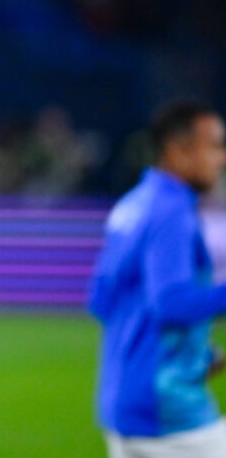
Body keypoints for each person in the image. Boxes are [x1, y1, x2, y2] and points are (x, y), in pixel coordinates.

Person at [89, 101, 226, 457]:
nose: (222, 158)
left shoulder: (133, 204)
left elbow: (101, 299)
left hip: (122, 400)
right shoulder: (172, 211)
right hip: (168, 410)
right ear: (179, 150)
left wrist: (198, 355)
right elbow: (171, 305)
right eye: (214, 145)